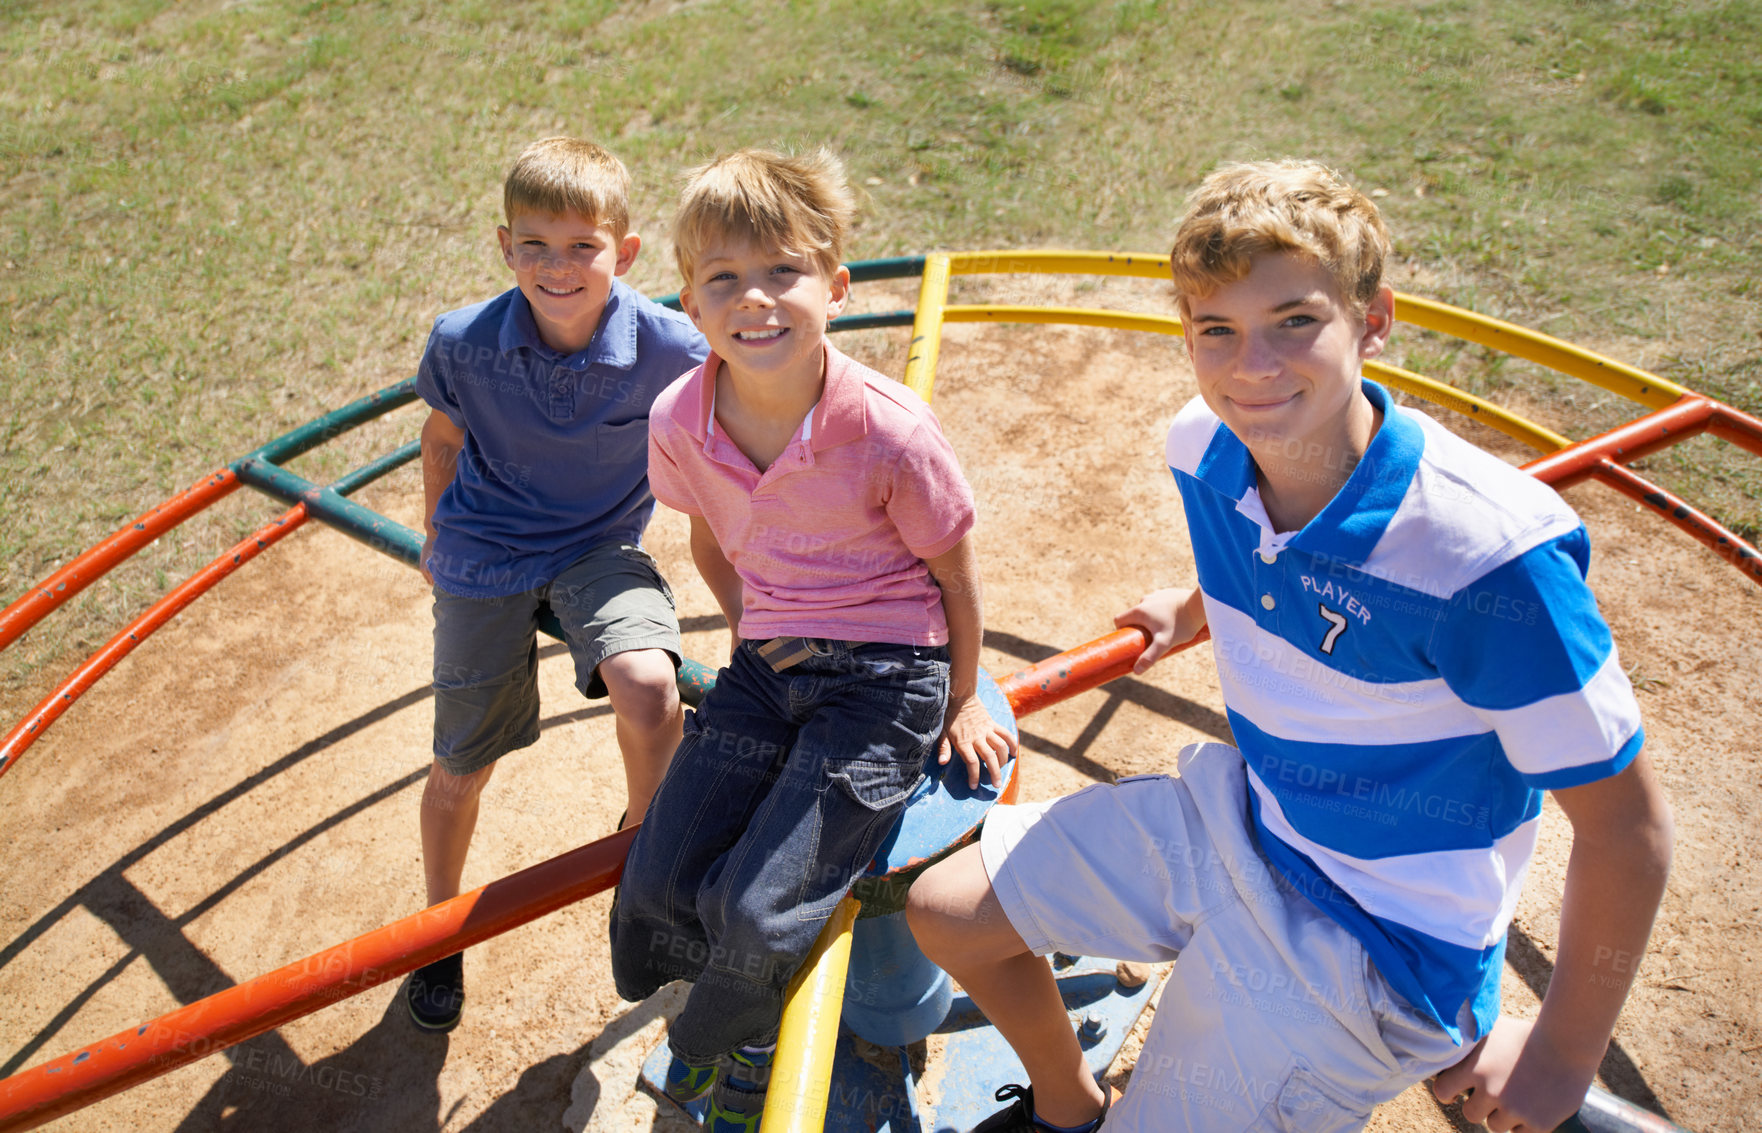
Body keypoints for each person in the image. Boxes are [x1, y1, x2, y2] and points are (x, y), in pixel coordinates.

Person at [906, 159, 1674, 1133]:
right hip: (1247, 822)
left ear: (1375, 317)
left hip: (1379, 942)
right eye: (1215, 330)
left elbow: (1628, 826)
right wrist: (1192, 607)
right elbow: (1284, 557)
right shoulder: (1204, 446)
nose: (1251, 367)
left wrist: (1565, 1047)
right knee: (947, 910)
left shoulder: (1486, 560)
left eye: (1293, 322)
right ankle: (1069, 1103)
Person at [608, 148, 1017, 1131]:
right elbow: (709, 530)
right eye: (723, 279)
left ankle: (713, 1040)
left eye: (781, 271)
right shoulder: (681, 417)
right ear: (691, 304)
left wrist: (961, 696)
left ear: (833, 287)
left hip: (888, 676)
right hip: (773, 661)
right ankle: (728, 1002)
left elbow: (955, 572)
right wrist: (756, 629)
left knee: (756, 908)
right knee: (659, 875)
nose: (755, 299)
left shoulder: (887, 430)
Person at [406, 136, 707, 1033]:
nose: (558, 266)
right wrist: (434, 537)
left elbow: (726, 441)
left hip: (595, 545)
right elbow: (441, 438)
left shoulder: (669, 347)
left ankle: (643, 858)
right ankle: (436, 930)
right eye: (535, 245)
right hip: (487, 549)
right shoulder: (465, 340)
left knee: (652, 686)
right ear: (505, 246)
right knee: (463, 764)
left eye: (583, 245)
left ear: (626, 251)